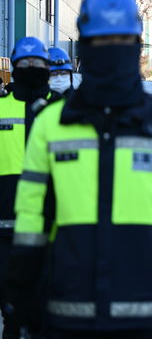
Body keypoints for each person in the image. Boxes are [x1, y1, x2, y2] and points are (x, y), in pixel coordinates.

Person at [5, 0, 152, 339]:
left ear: (137, 46)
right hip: (65, 308)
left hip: (141, 307)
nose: (111, 50)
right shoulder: (52, 124)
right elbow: (31, 214)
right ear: (85, 46)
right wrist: (24, 289)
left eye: (121, 41)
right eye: (101, 41)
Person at [0, 36, 55, 339]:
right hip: (5, 229)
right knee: (11, 309)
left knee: (49, 312)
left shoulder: (63, 110)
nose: (31, 67)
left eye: (37, 62)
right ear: (14, 66)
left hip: (53, 229)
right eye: (25, 63)